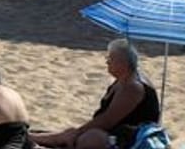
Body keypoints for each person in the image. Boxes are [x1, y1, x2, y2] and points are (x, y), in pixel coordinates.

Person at [31, 40, 160, 149]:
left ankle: (42, 138)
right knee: (75, 134)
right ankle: (45, 138)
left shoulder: (132, 87)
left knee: (89, 138)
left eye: (111, 59)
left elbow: (108, 120)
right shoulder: (124, 79)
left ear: (123, 64)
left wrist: (77, 132)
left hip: (131, 138)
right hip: (117, 133)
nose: (107, 62)